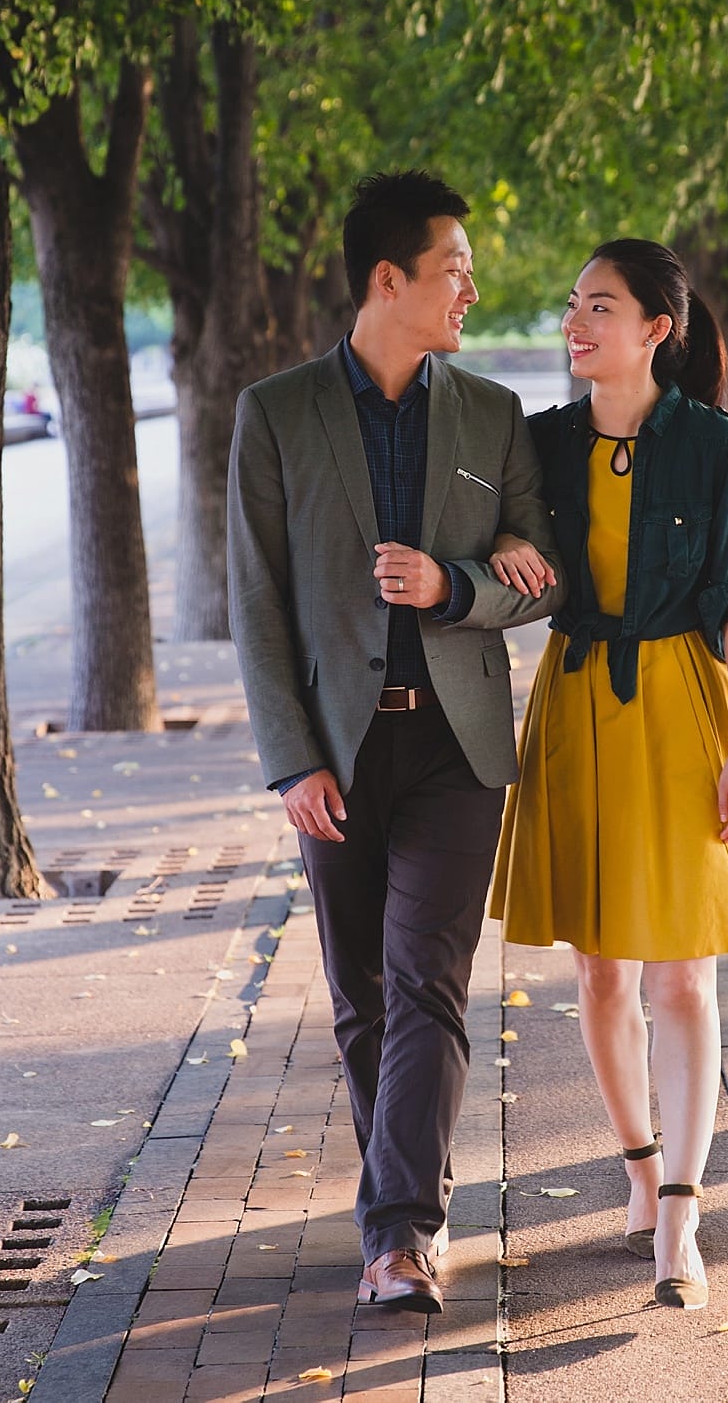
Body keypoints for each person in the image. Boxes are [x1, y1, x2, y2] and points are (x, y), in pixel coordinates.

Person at [227, 170, 564, 1317]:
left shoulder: (491, 415)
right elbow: (257, 600)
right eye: (454, 268)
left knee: (429, 984)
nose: (471, 286)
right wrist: (290, 759)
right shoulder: (273, 414)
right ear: (389, 279)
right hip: (336, 753)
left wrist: (454, 584)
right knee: (361, 995)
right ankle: (402, 1200)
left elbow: (538, 577)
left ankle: (401, 1232)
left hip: (456, 753)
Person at [488, 238, 728, 1312]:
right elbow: (498, 554)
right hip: (574, 704)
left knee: (681, 976)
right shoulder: (535, 445)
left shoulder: (719, 448)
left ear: (656, 329)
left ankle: (680, 1210)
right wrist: (498, 560)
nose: (576, 323)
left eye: (600, 307)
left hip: (678, 707)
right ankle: (631, 1168)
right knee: (602, 973)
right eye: (573, 305)